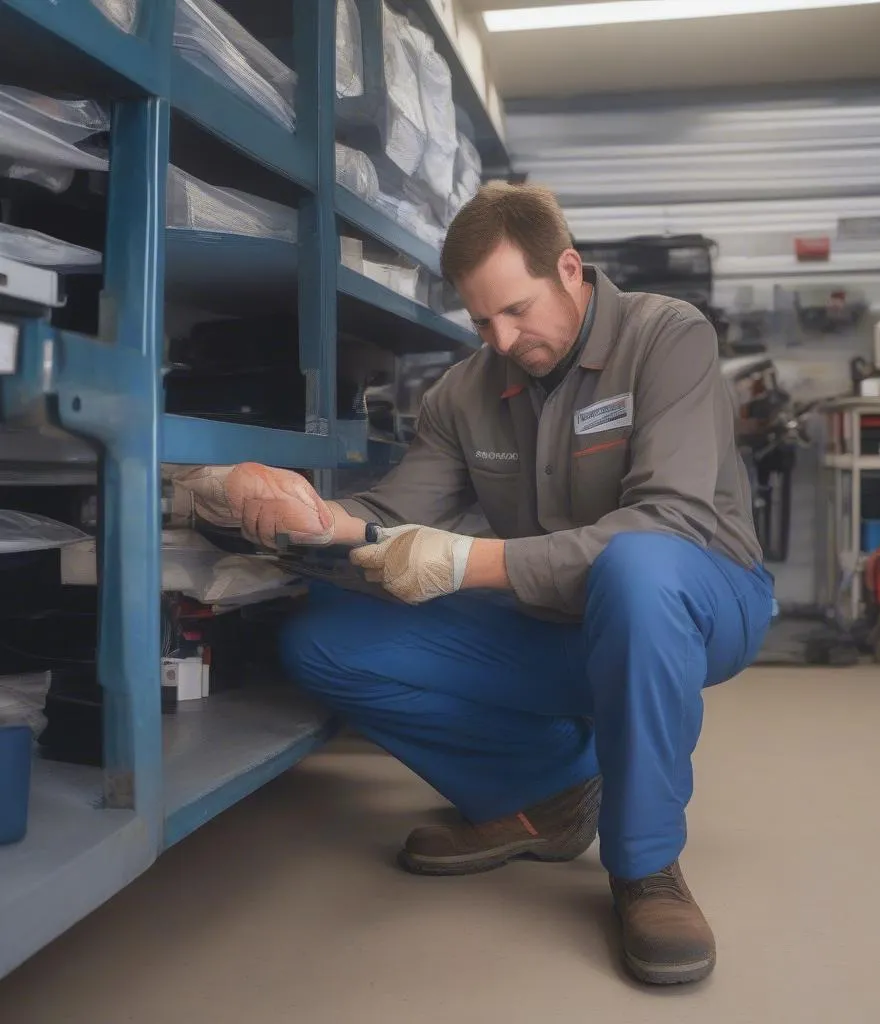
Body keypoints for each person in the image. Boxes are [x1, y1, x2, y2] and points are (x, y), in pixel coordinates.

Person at [172, 183, 774, 987]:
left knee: (636, 571)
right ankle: (547, 795)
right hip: (558, 616)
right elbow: (385, 517)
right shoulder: (465, 392)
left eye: (518, 310)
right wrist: (281, 507)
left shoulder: (667, 337)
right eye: (481, 320)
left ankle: (647, 866)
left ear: (569, 268)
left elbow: (664, 524)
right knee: (324, 637)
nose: (502, 337)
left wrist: (465, 562)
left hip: (701, 599)